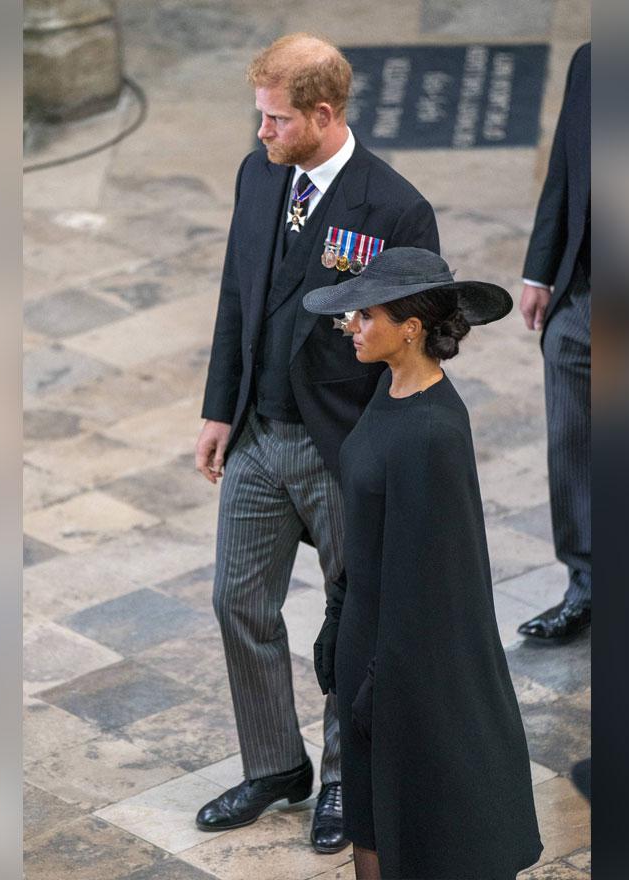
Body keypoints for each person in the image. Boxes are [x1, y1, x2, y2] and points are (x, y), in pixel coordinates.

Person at [192, 34, 440, 853]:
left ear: (322, 115)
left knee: (352, 618)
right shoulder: (258, 173)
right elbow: (237, 291)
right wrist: (220, 407)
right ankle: (275, 764)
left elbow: (420, 343)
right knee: (237, 599)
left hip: (342, 447)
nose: (260, 132)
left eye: (273, 119)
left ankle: (343, 777)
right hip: (261, 436)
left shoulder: (395, 208)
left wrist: (385, 453)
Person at [306, 247, 543, 879]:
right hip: (367, 641)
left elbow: (433, 584)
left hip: (405, 668)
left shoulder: (435, 431)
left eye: (364, 317)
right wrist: (337, 620)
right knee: (368, 819)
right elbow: (367, 534)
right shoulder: (390, 390)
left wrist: (382, 683)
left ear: (409, 328)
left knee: (415, 826)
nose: (352, 328)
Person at [517, 43, 593, 641]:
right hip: (582, 295)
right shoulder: (590, 62)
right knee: (571, 443)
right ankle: (587, 584)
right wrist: (540, 272)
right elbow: (564, 173)